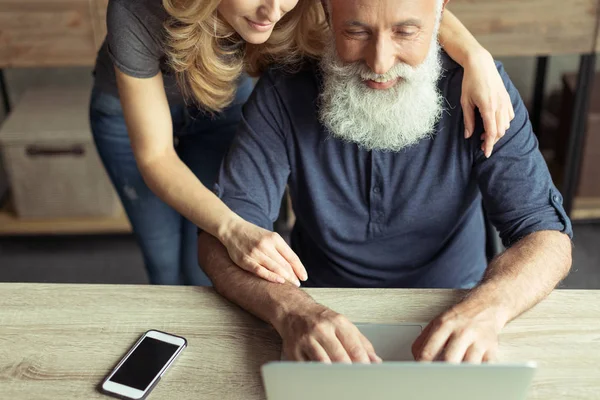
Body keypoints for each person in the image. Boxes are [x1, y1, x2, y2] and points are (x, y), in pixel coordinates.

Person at [197, 0, 573, 364]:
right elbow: (221, 239)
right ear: (327, 12)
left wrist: (489, 308)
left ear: (440, 15)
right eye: (356, 31)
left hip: (459, 305)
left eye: (406, 32)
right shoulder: (285, 88)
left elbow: (547, 236)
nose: (379, 62)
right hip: (316, 308)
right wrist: (290, 310)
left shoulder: (481, 89)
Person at [90, 0, 513, 285]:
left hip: (217, 97)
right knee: (166, 263)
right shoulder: (136, 9)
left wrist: (476, 56)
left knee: (204, 264)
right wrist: (233, 227)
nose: (273, 10)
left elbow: (405, 8)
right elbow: (156, 155)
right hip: (129, 119)